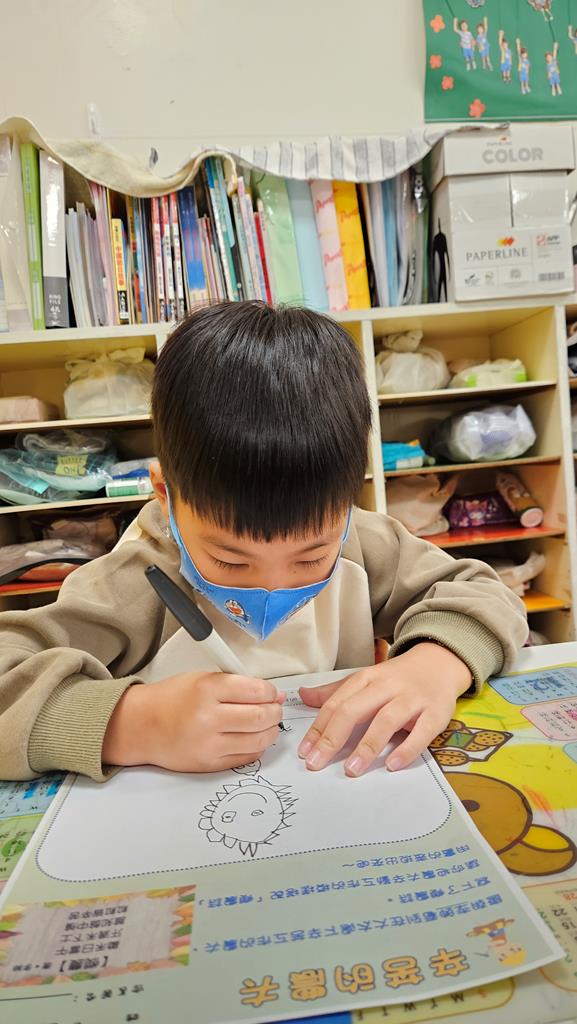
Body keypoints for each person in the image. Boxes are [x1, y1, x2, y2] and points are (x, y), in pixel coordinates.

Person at [0, 302, 527, 783]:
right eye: (230, 560)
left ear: (348, 502)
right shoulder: (136, 577)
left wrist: (434, 663)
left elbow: (484, 592)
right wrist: (131, 724)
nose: (274, 587)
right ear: (165, 494)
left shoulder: (362, 542)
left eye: (311, 557)